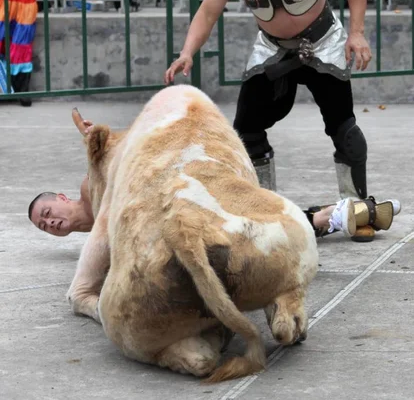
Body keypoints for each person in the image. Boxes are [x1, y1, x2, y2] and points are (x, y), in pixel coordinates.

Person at [164, 0, 388, 240]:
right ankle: (263, 208)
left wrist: (356, 33)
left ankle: (356, 210)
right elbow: (209, 10)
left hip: (322, 42)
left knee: (344, 130)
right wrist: (187, 51)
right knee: (246, 130)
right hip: (272, 48)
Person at [28, 177, 400, 242]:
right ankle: (346, 213)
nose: (51, 223)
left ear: (61, 199)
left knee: (250, 227)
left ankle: (331, 217)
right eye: (45, 228)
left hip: (186, 201)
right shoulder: (93, 239)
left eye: (46, 214)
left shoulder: (89, 186)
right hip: (181, 222)